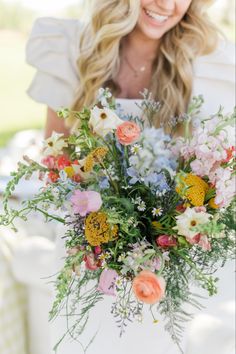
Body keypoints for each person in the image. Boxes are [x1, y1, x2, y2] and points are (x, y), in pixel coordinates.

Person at [25, 1, 235, 354]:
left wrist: (161, 231)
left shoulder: (206, 60)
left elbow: (209, 177)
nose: (166, 5)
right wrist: (104, 231)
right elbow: (54, 162)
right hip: (86, 255)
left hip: (161, 274)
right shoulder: (72, 48)